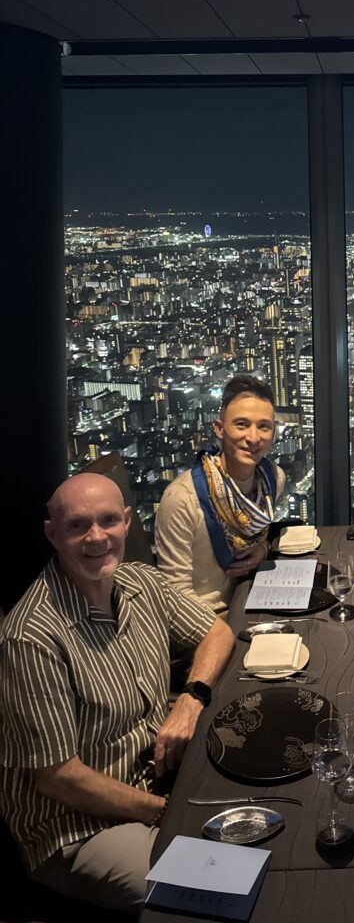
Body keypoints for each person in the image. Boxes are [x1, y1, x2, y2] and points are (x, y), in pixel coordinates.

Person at [0, 474, 234, 915]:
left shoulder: (142, 583)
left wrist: (192, 697)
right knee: (219, 890)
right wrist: (167, 811)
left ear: (127, 522)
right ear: (52, 534)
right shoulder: (31, 638)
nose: (96, 537)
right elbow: (59, 778)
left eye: (109, 520)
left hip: (154, 775)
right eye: (77, 526)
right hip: (78, 827)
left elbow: (217, 632)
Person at [156, 374, 286, 612]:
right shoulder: (182, 499)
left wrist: (262, 549)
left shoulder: (273, 478)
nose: (253, 438)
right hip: (207, 619)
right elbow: (174, 597)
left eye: (263, 427)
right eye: (241, 424)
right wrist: (226, 628)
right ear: (219, 428)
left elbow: (261, 536)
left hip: (253, 599)